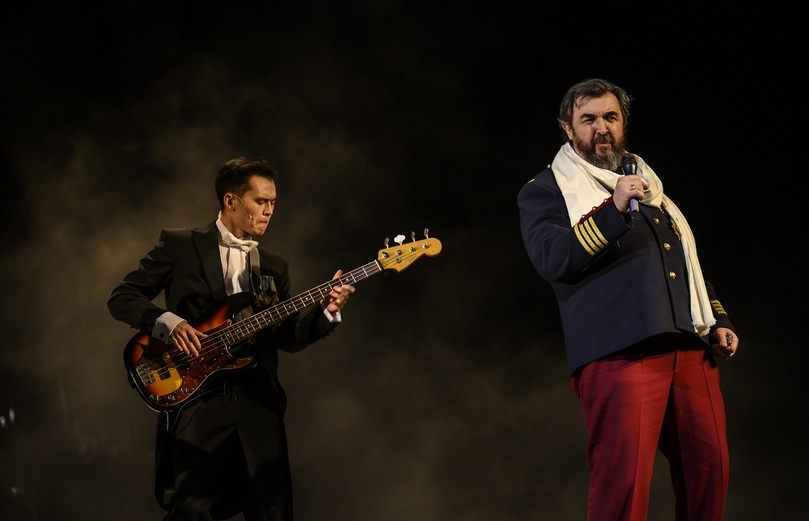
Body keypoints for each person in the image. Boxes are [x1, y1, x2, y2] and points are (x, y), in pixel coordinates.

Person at [517, 78, 738, 521]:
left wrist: (717, 318)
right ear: (568, 128)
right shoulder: (547, 188)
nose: (601, 128)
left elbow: (679, 257)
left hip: (688, 345)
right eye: (588, 119)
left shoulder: (647, 184)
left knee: (709, 471)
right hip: (619, 351)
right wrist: (612, 209)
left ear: (623, 124)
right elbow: (551, 259)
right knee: (625, 484)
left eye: (611, 117)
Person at [108, 156, 355, 520]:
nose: (270, 211)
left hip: (260, 405)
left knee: (272, 511)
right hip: (197, 401)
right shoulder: (180, 245)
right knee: (191, 512)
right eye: (261, 201)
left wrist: (327, 311)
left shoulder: (275, 266)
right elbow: (123, 297)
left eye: (273, 203)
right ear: (231, 201)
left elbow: (287, 336)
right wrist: (169, 323)